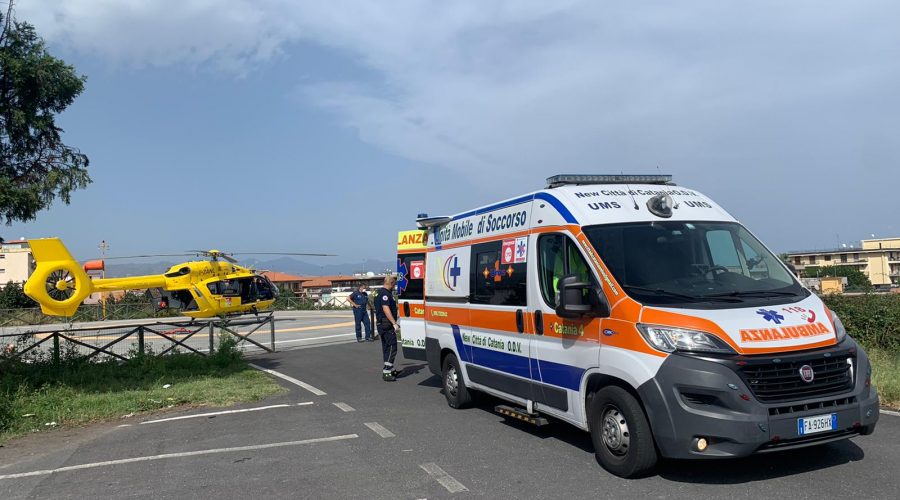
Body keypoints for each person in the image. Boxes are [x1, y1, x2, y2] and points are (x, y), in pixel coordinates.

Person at [374, 276, 400, 381]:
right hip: (387, 324)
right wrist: (394, 323)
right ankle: (387, 370)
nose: (395, 286)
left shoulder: (378, 292)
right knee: (392, 347)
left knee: (386, 347)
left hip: (381, 323)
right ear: (392, 283)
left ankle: (391, 368)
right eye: (394, 284)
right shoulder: (385, 294)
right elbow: (385, 308)